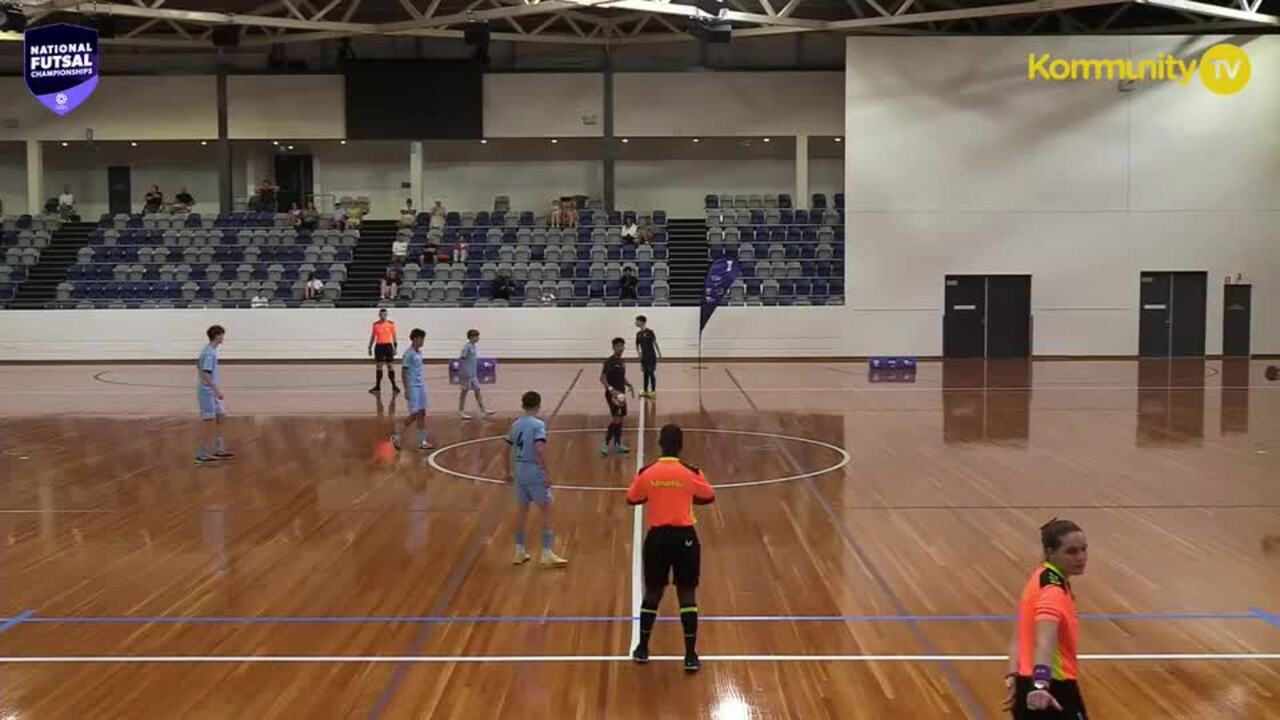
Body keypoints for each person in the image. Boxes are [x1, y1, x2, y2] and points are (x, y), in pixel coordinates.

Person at [627, 424, 716, 672]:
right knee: (687, 594)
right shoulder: (691, 473)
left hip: (657, 539)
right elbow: (708, 496)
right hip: (685, 539)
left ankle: (643, 648)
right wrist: (686, 496)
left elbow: (632, 498)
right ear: (681, 445)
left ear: (660, 443)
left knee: (653, 592)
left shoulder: (647, 472)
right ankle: (690, 655)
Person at [1005, 518, 1090, 720]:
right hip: (1051, 688)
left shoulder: (1040, 576)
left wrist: (1012, 675)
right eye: (1071, 551)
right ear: (1050, 552)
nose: (1081, 557)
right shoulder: (1053, 590)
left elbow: (1019, 635)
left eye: (1083, 549)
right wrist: (1041, 685)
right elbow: (1045, 641)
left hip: (1028, 684)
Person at [504, 390, 570, 568]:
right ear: (538, 405)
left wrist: (507, 471)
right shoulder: (538, 425)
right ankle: (546, 553)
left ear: (522, 405)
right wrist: (546, 472)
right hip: (533, 470)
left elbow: (506, 448)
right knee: (547, 511)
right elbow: (539, 449)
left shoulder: (515, 424)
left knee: (522, 511)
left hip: (519, 470)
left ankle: (519, 551)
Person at [195, 325, 234, 465]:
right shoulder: (210, 353)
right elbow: (205, 372)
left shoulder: (209, 351)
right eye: (222, 335)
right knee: (208, 421)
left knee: (220, 416)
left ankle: (219, 448)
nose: (223, 338)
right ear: (217, 336)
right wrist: (216, 390)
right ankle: (201, 453)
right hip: (208, 392)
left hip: (211, 391)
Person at [391, 328, 432, 452]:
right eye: (421, 338)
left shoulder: (419, 353)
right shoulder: (408, 354)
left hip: (421, 386)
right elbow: (404, 372)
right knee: (414, 414)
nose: (423, 341)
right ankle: (397, 433)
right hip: (413, 386)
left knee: (422, 413)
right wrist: (407, 389)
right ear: (415, 339)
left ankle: (422, 441)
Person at [599, 337, 635, 456]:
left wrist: (629, 384)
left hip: (621, 395)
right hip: (613, 395)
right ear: (614, 347)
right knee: (616, 419)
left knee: (620, 419)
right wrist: (611, 390)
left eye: (622, 346)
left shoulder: (621, 361)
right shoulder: (609, 362)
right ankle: (606, 444)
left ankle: (618, 443)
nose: (621, 348)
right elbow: (602, 378)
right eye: (619, 346)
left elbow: (621, 377)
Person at [457, 329, 495, 420]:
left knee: (477, 391)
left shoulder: (474, 347)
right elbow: (462, 359)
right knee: (464, 393)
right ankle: (461, 411)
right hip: (466, 375)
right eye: (476, 336)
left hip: (473, 375)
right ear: (471, 337)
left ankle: (483, 410)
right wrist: (465, 371)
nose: (478, 338)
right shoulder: (467, 347)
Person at [367, 308, 401, 395]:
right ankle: (377, 386)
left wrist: (395, 347)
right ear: (379, 315)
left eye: (385, 315)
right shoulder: (375, 325)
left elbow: (394, 337)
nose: (383, 316)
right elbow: (373, 336)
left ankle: (394, 386)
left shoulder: (391, 324)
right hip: (379, 346)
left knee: (390, 366)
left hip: (388, 346)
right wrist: (370, 347)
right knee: (379, 366)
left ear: (387, 315)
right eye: (382, 315)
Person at [635, 315, 661, 399]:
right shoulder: (638, 334)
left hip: (651, 356)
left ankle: (653, 391)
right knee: (645, 374)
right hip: (644, 357)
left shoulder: (650, 332)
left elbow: (655, 343)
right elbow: (637, 345)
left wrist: (659, 353)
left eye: (637, 321)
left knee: (651, 373)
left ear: (642, 322)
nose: (636, 323)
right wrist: (639, 354)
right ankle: (645, 391)